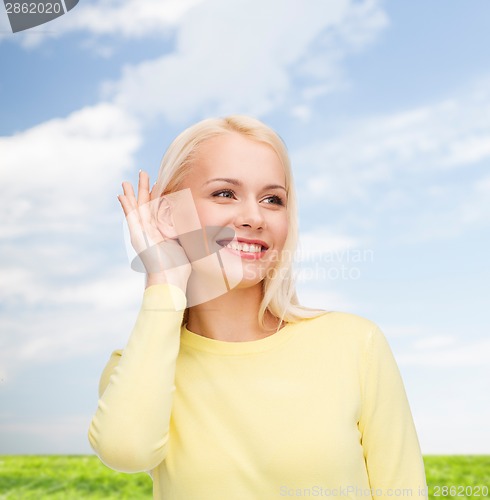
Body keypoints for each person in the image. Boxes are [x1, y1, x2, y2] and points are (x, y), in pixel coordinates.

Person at [88, 115, 428, 499]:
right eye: (224, 194)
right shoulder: (135, 367)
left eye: (272, 200)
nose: (253, 218)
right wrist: (164, 281)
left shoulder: (355, 344)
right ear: (167, 213)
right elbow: (125, 452)